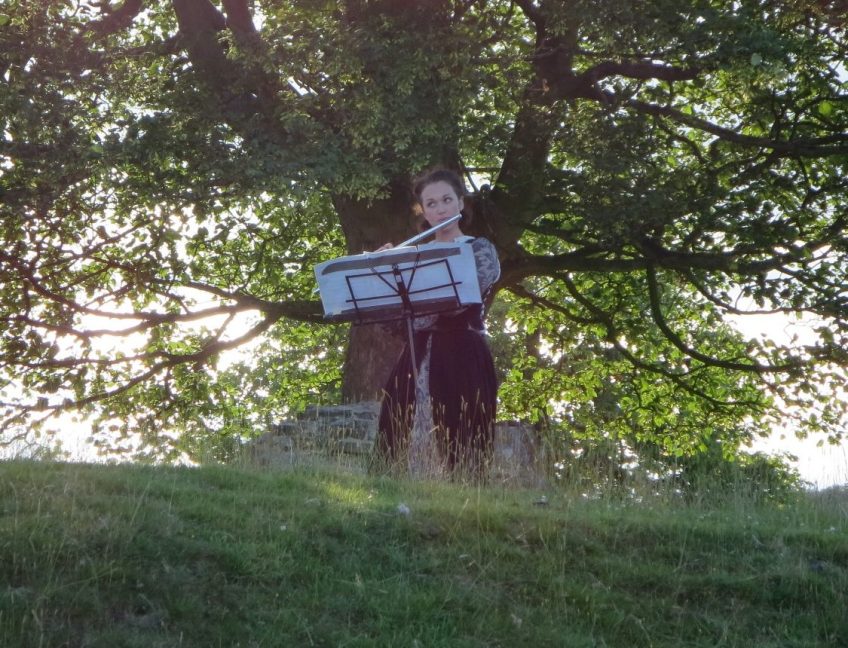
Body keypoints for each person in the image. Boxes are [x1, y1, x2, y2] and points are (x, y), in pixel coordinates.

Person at [374, 168, 500, 479]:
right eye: (431, 204)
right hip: (415, 355)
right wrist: (381, 272)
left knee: (464, 441)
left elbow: (456, 305)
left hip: (463, 353)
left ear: (460, 203)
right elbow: (394, 324)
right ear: (423, 212)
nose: (441, 209)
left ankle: (463, 497)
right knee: (396, 429)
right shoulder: (409, 257)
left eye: (447, 200)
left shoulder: (478, 248)